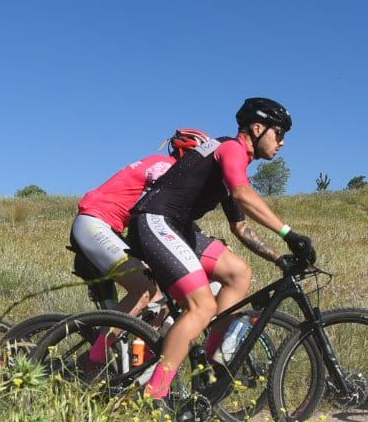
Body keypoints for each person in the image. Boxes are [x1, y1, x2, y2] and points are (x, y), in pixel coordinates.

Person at [126, 97, 315, 403]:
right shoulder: (231, 149)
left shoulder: (232, 163)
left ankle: (210, 371)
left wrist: (279, 258)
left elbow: (240, 227)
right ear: (257, 128)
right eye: (279, 134)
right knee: (202, 306)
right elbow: (243, 195)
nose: (282, 143)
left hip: (180, 228)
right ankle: (153, 397)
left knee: (238, 273)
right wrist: (289, 233)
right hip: (155, 220)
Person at [70, 128, 207, 319]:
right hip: (95, 225)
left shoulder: (159, 163)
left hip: (101, 227)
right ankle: (101, 349)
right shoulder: (165, 167)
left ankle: (132, 344)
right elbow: (161, 212)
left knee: (158, 296)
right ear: (187, 155)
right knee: (145, 292)